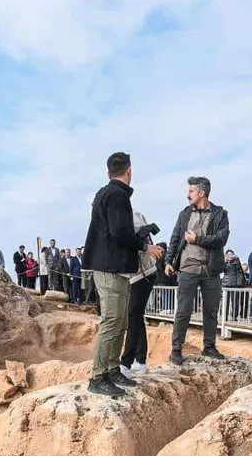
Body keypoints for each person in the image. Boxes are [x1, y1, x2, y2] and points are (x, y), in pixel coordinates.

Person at [83, 151, 164, 396]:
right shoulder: (117, 194)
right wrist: (145, 246)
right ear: (129, 170)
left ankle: (111, 368)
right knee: (112, 321)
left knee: (120, 321)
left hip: (114, 267)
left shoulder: (105, 193)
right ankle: (98, 376)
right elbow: (119, 231)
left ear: (109, 172)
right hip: (110, 267)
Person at [164, 175, 231, 364]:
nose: (188, 195)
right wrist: (168, 261)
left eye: (191, 191)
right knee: (183, 310)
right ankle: (176, 349)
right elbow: (175, 238)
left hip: (211, 270)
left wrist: (197, 239)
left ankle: (209, 347)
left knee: (211, 311)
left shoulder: (220, 214)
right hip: (187, 268)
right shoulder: (184, 214)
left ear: (201, 193)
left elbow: (221, 239)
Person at [120, 213, 159, 375]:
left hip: (142, 273)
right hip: (137, 274)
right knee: (136, 317)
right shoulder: (130, 214)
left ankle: (126, 364)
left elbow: (131, 239)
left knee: (133, 318)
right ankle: (140, 361)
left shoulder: (129, 215)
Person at [221, 249, 248, 319]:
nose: (230, 256)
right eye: (228, 255)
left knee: (235, 301)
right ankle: (224, 316)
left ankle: (234, 316)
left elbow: (240, 270)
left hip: (235, 284)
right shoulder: (224, 262)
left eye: (231, 254)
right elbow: (221, 270)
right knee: (225, 301)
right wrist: (225, 261)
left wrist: (237, 259)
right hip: (226, 284)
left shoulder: (236, 262)